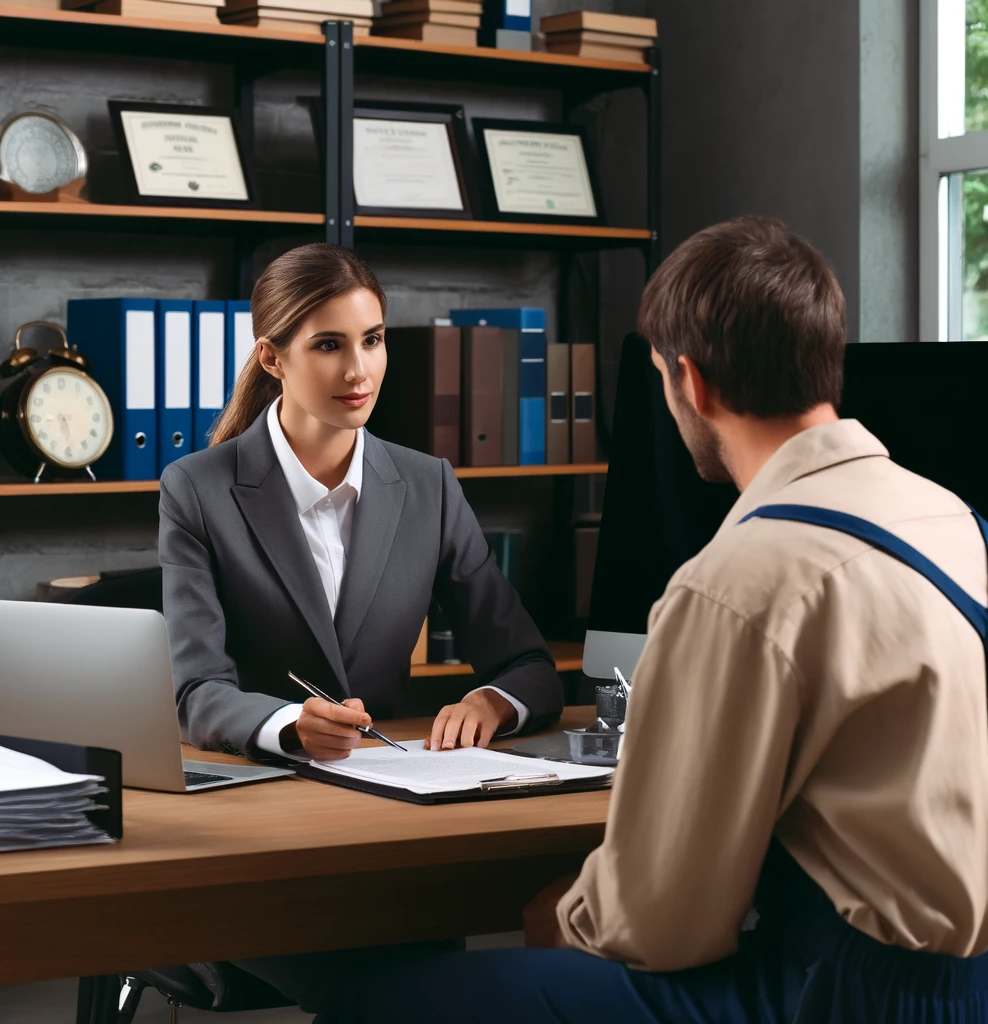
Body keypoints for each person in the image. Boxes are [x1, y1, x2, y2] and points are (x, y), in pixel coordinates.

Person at [317, 216, 988, 1024]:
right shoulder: (951, 519)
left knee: (380, 1007)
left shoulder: (738, 578)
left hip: (832, 992)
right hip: (961, 989)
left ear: (689, 383)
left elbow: (664, 926)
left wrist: (569, 916)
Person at [157, 242, 563, 1011]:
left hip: (396, 840)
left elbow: (528, 664)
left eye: (373, 339)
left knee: (427, 987)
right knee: (402, 997)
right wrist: (285, 723)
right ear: (272, 359)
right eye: (329, 345)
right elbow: (196, 690)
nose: (359, 371)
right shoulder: (199, 491)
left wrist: (492, 702)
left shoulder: (428, 484)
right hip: (263, 846)